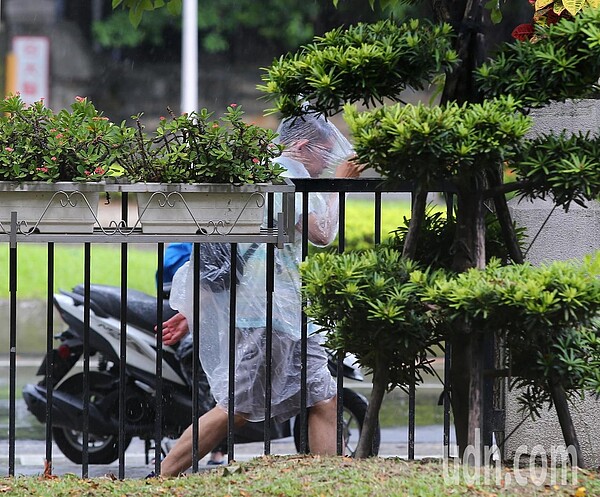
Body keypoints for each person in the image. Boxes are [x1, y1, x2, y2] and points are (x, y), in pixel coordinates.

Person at [157, 114, 363, 477]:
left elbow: (243, 251)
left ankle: (329, 482)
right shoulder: (285, 175)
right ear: (302, 146)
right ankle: (162, 478)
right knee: (235, 409)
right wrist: (337, 185)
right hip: (268, 313)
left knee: (325, 398)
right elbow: (321, 233)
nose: (326, 164)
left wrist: (194, 312)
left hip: (285, 312)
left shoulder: (267, 174)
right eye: (324, 155)